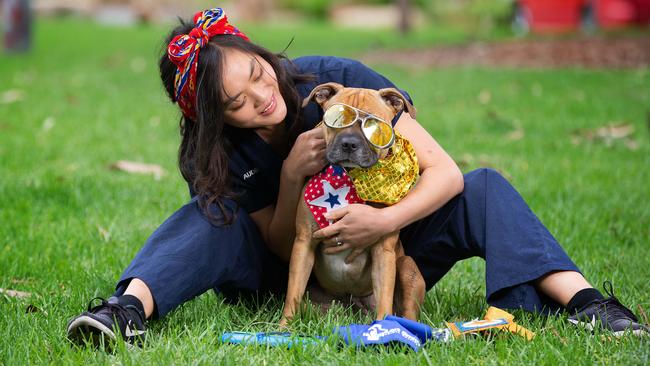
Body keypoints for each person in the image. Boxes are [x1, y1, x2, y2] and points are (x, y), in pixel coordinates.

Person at [66, 8, 648, 347]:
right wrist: (292, 176)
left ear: (258, 51)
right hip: (287, 271)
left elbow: (441, 172)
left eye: (256, 74)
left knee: (484, 186)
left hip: (392, 249)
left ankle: (587, 303)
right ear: (215, 117)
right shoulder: (210, 153)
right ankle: (126, 311)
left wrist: (384, 221)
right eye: (235, 102)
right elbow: (272, 242)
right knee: (208, 218)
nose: (261, 97)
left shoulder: (337, 80)